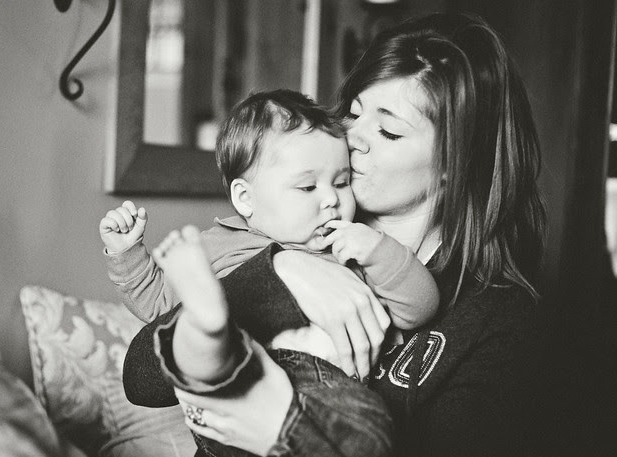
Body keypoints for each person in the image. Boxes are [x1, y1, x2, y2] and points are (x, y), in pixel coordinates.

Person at [122, 12, 548, 457]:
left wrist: (281, 429)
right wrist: (281, 271)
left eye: (388, 131)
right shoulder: (296, 231)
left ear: (455, 164)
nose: (353, 136)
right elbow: (142, 378)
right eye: (353, 113)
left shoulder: (497, 318)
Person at [101, 90, 440, 456]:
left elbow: (419, 308)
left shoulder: (350, 250)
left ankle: (209, 334)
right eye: (308, 186)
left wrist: (379, 250)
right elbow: (159, 304)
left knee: (369, 431)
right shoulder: (219, 245)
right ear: (246, 198)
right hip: (236, 387)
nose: (331, 199)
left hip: (321, 393)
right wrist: (127, 253)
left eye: (341, 182)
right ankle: (208, 330)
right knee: (202, 349)